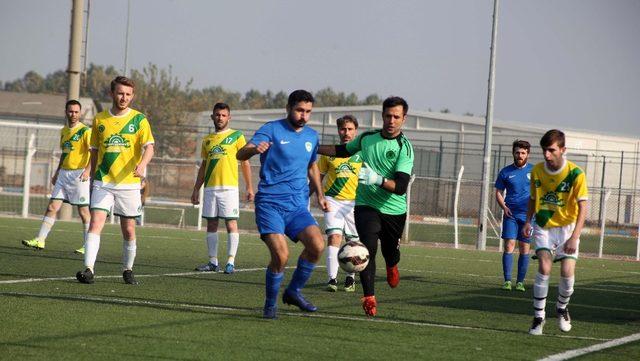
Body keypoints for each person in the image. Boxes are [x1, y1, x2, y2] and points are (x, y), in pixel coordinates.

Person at [317, 96, 414, 316]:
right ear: (382, 116)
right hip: (366, 205)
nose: (391, 120)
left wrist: (377, 179)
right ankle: (369, 297)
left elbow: (400, 187)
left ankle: (392, 264)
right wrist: (315, 147)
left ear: (403, 119)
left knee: (390, 252)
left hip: (394, 209)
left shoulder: (405, 148)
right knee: (367, 249)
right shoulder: (367, 138)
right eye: (388, 115)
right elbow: (342, 151)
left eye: (396, 117)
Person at [236, 89, 328, 319]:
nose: (303, 115)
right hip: (270, 204)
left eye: (308, 111)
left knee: (317, 245)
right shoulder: (271, 129)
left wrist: (320, 193)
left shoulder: (311, 136)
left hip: (297, 206)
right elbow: (240, 153)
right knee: (281, 256)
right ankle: (270, 304)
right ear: (288, 108)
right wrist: (253, 149)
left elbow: (312, 166)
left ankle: (293, 292)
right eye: (299, 110)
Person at [76, 76, 155, 285]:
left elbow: (150, 147)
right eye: (120, 93)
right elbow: (94, 150)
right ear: (112, 93)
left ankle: (128, 269)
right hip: (104, 181)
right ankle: (89, 269)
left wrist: (142, 165)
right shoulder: (100, 119)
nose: (124, 98)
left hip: (129, 183)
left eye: (128, 94)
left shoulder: (139, 120)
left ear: (132, 96)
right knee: (96, 222)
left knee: (128, 229)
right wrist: (92, 176)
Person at [523, 129, 588, 335]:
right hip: (544, 225)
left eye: (551, 150)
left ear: (563, 149)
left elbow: (583, 208)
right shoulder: (537, 171)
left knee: (567, 271)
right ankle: (538, 317)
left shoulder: (576, 173)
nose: (546, 155)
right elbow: (533, 198)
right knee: (544, 265)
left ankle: (561, 308)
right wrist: (527, 221)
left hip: (568, 228)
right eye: (544, 150)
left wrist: (574, 237)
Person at [191, 103, 254, 274]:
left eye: (224, 115)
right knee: (211, 224)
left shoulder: (237, 136)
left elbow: (245, 162)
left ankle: (230, 262)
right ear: (212, 117)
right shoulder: (207, 140)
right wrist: (197, 188)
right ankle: (212, 262)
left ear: (229, 117)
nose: (220, 118)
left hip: (229, 189)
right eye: (217, 115)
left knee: (231, 223)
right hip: (211, 188)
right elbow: (204, 166)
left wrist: (249, 187)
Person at [22, 99, 91, 254]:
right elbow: (64, 154)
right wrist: (57, 171)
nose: (73, 114)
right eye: (70, 111)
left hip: (79, 174)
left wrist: (88, 170)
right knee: (52, 207)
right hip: (63, 174)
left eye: (76, 112)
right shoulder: (64, 131)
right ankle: (40, 240)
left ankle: (88, 245)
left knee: (83, 212)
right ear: (66, 112)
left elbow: (94, 153)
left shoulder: (85, 131)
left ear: (80, 113)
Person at [315, 115, 362, 292]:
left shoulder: (361, 153)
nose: (346, 133)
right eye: (343, 129)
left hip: (355, 203)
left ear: (355, 131)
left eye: (350, 129)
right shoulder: (330, 153)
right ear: (338, 131)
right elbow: (317, 176)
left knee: (353, 242)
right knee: (334, 237)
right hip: (332, 200)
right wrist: (318, 196)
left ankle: (350, 278)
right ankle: (332, 279)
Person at [495, 140, 533, 292]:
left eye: (523, 153)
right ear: (513, 153)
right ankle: (507, 281)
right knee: (509, 245)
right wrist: (504, 207)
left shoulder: (535, 171)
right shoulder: (505, 172)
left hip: (528, 217)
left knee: (524, 247)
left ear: (527, 155)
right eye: (517, 152)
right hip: (510, 214)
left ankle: (520, 282)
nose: (520, 155)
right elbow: (498, 192)